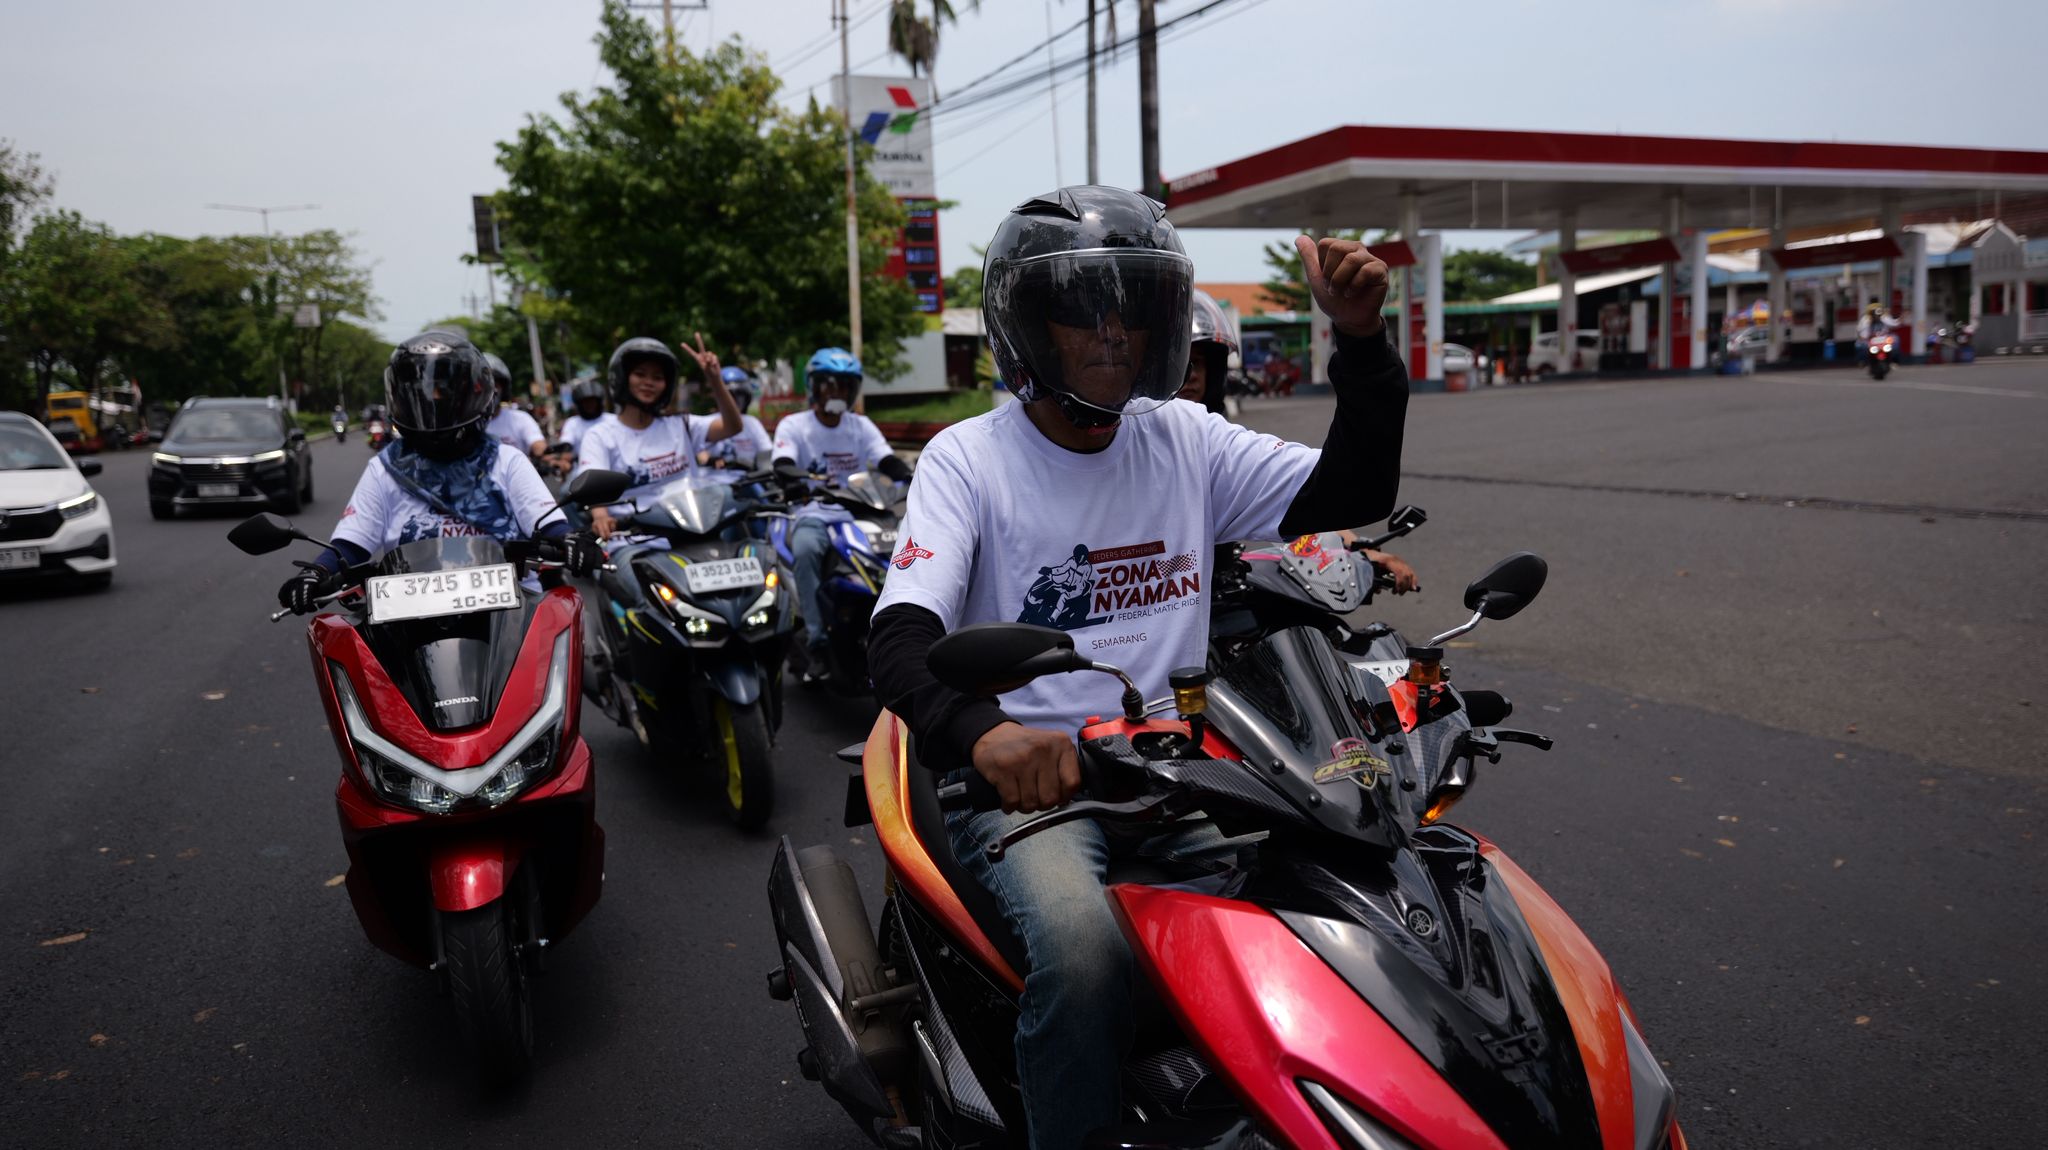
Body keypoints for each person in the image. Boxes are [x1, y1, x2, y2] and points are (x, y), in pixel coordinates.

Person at [867, 185, 1408, 1150]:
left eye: (1137, 308)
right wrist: (988, 735)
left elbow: (1351, 490)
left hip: (1187, 769)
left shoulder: (1183, 438)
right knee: (1082, 958)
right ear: (1029, 326)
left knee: (1332, 914)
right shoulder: (968, 461)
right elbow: (900, 636)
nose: (1116, 333)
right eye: (1086, 307)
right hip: (1040, 790)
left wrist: (1361, 343)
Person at [276, 331, 600, 614]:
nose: (431, 403)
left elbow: (548, 522)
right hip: (408, 620)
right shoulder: (384, 469)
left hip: (513, 613)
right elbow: (351, 544)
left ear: (475, 393)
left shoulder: (506, 460)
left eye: (442, 391)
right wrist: (316, 572)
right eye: (418, 392)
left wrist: (571, 539)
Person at [772, 347, 914, 684]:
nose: (836, 393)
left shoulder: (860, 426)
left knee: (902, 549)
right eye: (829, 385)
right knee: (806, 550)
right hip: (814, 511)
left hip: (861, 510)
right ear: (815, 387)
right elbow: (782, 464)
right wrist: (798, 478)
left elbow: (886, 461)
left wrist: (912, 477)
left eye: (843, 386)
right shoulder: (794, 425)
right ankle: (818, 642)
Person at [574, 333, 743, 541]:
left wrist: (715, 379)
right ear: (621, 377)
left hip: (693, 533)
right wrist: (601, 517)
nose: (649, 382)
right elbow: (594, 491)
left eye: (657, 377)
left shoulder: (681, 425)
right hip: (633, 540)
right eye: (640, 374)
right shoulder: (600, 436)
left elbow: (732, 426)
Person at [698, 365, 775, 481]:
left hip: (747, 482)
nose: (735, 402)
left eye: (740, 396)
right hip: (713, 484)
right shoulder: (708, 422)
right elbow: (698, 451)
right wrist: (710, 459)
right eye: (730, 396)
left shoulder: (751, 423)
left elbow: (766, 453)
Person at [1174, 288, 1237, 415]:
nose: (1191, 376)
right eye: (1177, 365)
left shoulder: (1220, 432)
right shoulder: (1138, 433)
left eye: (1196, 363)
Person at [480, 353, 549, 462]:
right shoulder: (463, 424)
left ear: (504, 389)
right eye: (484, 385)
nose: (490, 391)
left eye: (495, 385)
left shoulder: (520, 419)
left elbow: (538, 445)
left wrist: (547, 457)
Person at [558, 377, 614, 457]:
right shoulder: (572, 423)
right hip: (580, 466)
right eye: (586, 402)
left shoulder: (612, 420)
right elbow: (566, 444)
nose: (589, 405)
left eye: (592, 401)